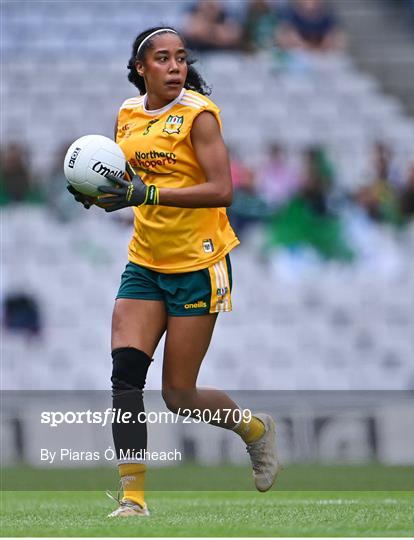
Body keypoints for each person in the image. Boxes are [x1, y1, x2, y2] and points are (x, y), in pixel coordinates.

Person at [67, 26, 279, 517]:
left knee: (179, 394)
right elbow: (126, 180)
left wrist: (149, 195)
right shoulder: (127, 114)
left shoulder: (199, 117)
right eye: (162, 59)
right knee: (125, 378)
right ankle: (133, 501)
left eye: (181, 58)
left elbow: (223, 188)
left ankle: (253, 429)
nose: (175, 66)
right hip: (145, 261)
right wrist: (97, 193)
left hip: (199, 263)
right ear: (141, 68)